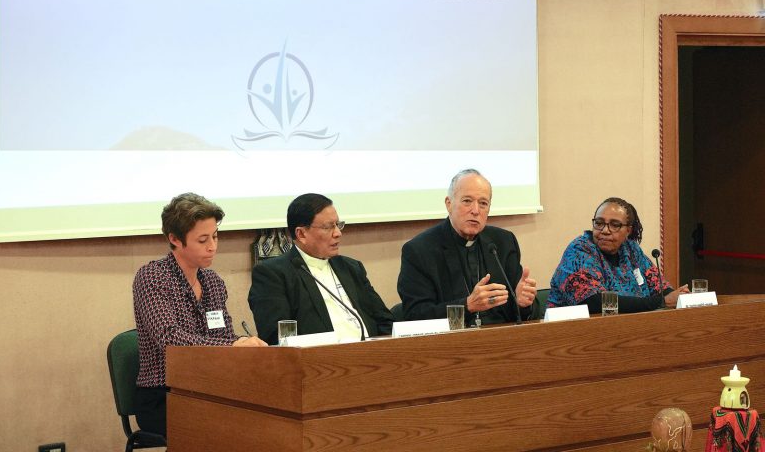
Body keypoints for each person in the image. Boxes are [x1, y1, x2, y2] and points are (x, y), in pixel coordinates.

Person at [132, 193, 266, 437]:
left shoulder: (212, 281)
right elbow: (169, 339)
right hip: (164, 395)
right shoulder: (152, 277)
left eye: (215, 236)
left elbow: (224, 337)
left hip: (211, 388)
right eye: (203, 240)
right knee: (229, 428)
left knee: (268, 416)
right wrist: (233, 345)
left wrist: (243, 343)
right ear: (175, 239)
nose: (212, 246)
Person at [397, 169, 539, 326]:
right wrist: (467, 305)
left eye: (483, 203)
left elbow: (525, 313)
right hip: (452, 339)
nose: (475, 211)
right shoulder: (419, 250)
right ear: (449, 204)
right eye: (467, 201)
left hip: (502, 336)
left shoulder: (503, 242)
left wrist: (522, 303)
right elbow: (415, 315)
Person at [248, 193, 394, 345]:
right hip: (319, 357)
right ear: (301, 233)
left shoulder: (351, 268)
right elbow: (277, 338)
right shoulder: (273, 274)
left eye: (338, 225)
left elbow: (385, 322)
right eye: (328, 227)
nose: (338, 233)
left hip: (370, 353)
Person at [547, 197, 689, 313]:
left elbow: (659, 287)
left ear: (628, 230)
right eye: (599, 223)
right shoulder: (579, 250)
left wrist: (677, 296)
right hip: (571, 331)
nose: (605, 230)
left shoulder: (631, 250)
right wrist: (661, 302)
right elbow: (593, 302)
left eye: (614, 225)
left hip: (626, 327)